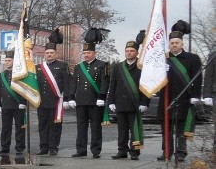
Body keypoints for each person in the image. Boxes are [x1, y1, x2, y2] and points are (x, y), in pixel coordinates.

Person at [158, 20, 202, 162]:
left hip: (184, 98)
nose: (174, 45)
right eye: (172, 43)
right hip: (166, 97)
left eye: (177, 42)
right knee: (166, 128)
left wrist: (195, 96)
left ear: (182, 43)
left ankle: (181, 152)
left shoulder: (193, 58)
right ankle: (167, 152)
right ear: (169, 44)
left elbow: (198, 78)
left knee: (181, 129)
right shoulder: (162, 59)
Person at [67, 28, 109, 158]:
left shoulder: (102, 65)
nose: (86, 55)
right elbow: (74, 82)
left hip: (95, 101)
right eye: (84, 53)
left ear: (94, 53)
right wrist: (71, 97)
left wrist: (102, 96)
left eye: (89, 52)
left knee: (96, 127)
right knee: (81, 127)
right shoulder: (79, 67)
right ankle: (81, 150)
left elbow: (105, 81)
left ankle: (95, 150)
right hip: (81, 101)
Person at [108, 31, 149, 160]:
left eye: (132, 51)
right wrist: (111, 102)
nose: (129, 53)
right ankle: (122, 151)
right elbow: (113, 85)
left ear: (137, 52)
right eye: (127, 51)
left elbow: (146, 87)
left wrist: (145, 103)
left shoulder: (142, 66)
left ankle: (134, 152)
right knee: (122, 130)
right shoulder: (119, 67)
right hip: (120, 103)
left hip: (135, 104)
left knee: (135, 129)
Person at [36, 28, 70, 156]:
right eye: (47, 53)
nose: (49, 55)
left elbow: (67, 83)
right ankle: (43, 147)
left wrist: (66, 99)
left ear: (55, 54)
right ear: (44, 54)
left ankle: (53, 147)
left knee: (55, 125)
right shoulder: (38, 68)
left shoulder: (62, 66)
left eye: (51, 53)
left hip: (56, 101)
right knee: (42, 125)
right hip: (42, 102)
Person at [0, 51, 26, 155]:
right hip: (6, 105)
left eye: (9, 60)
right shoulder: (2, 75)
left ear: (14, 61)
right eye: (5, 61)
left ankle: (19, 147)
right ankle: (5, 147)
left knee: (19, 127)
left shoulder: (19, 74)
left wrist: (23, 101)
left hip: (18, 105)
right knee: (5, 127)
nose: (7, 62)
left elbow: (24, 88)